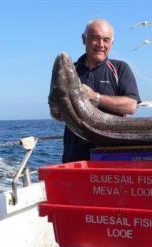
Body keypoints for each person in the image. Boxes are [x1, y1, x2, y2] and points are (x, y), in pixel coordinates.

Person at [60, 19, 141, 163]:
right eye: (96, 39)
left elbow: (131, 106)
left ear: (112, 44)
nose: (101, 45)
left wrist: (95, 97)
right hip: (74, 158)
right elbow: (58, 114)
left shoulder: (120, 68)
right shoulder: (70, 71)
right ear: (84, 39)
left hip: (111, 156)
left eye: (106, 40)